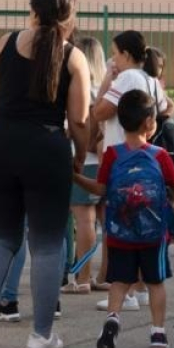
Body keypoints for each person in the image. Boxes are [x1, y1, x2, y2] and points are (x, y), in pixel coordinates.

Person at [0, 0, 90, 348]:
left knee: (1, 236)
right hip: (47, 148)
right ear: (70, 15)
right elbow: (80, 120)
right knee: (48, 244)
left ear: (31, 9)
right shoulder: (73, 57)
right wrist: (80, 155)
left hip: (0, 146)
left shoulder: (4, 44)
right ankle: (40, 334)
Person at [74, 89, 174, 348]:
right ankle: (158, 332)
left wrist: (75, 177)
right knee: (156, 282)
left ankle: (112, 318)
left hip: (120, 234)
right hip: (153, 235)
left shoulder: (112, 154)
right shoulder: (159, 155)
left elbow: (100, 190)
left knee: (120, 283)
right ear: (149, 122)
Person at [92, 30, 168, 311]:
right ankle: (142, 287)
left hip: (121, 159)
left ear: (125, 55)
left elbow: (100, 111)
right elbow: (166, 106)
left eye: (114, 53)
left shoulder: (125, 78)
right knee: (141, 222)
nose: (113, 58)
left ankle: (126, 292)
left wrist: (106, 82)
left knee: (120, 224)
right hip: (144, 158)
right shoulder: (150, 80)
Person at [63, 36, 108, 295]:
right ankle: (103, 275)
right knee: (104, 219)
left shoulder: (82, 88)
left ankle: (82, 276)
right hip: (102, 161)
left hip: (83, 159)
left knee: (84, 219)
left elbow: (80, 124)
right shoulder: (103, 89)